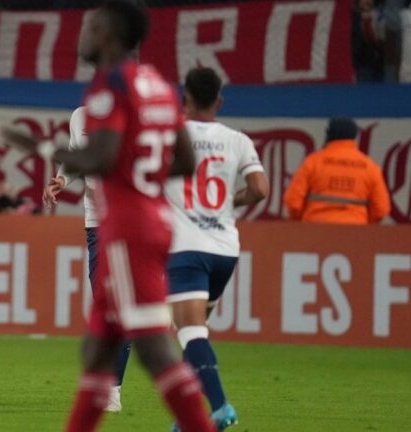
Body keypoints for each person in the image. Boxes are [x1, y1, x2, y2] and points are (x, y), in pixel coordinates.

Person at [3, 2, 215, 431]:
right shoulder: (156, 84)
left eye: (90, 28)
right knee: (98, 348)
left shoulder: (108, 87)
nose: (83, 36)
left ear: (110, 36)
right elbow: (187, 160)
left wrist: (40, 150)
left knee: (154, 348)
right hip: (153, 220)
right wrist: (141, 173)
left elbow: (101, 157)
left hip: (125, 227)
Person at [164, 66, 269, 431]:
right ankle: (187, 419)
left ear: (184, 98)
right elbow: (260, 189)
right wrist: (227, 205)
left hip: (186, 247)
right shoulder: (238, 140)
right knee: (197, 332)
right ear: (220, 101)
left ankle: (221, 407)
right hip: (225, 249)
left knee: (190, 332)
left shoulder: (169, 136)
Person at [42, 106, 132, 412]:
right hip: (96, 221)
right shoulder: (80, 116)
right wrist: (61, 180)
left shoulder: (140, 112)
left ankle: (112, 389)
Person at [283, 117, 390, 224]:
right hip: (355, 232)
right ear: (354, 136)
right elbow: (381, 209)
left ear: (328, 135)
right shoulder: (370, 167)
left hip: (316, 230)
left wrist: (305, 222)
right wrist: (362, 223)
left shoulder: (313, 162)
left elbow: (293, 202)